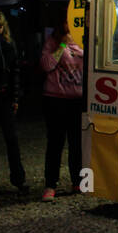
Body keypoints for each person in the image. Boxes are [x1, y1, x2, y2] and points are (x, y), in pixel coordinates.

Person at [40, 17, 84, 202]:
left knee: (77, 143)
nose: (69, 27)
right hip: (56, 99)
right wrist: (62, 46)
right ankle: (51, 184)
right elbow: (46, 65)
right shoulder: (52, 43)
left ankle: (78, 181)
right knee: (55, 143)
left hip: (77, 99)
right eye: (66, 23)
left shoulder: (82, 40)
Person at [0, 9, 27, 193]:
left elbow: (14, 72)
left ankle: (18, 177)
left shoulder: (7, 44)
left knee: (12, 139)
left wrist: (14, 97)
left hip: (4, 96)